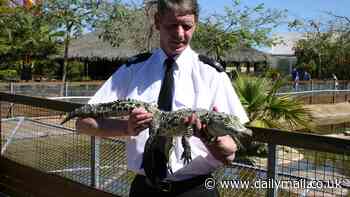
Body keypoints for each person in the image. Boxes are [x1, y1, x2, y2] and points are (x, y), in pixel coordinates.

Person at [76, 0, 249, 196]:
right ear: (157, 22)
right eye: (172, 25)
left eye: (187, 26)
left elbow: (229, 155)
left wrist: (209, 137)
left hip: (196, 190)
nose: (179, 34)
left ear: (196, 24)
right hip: (145, 189)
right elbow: (82, 123)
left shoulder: (212, 74)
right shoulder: (133, 69)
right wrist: (127, 128)